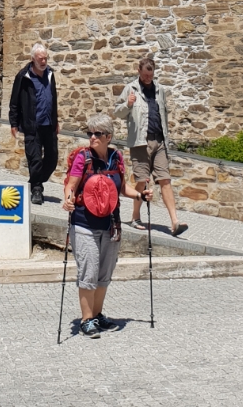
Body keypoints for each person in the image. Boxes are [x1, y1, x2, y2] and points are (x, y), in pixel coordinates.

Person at [62, 112, 150, 339]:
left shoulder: (116, 158)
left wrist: (140, 196)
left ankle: (97, 314)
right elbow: (71, 185)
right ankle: (86, 320)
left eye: (97, 133)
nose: (92, 137)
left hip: (111, 225)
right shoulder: (83, 157)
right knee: (88, 272)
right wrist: (68, 199)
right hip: (84, 223)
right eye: (89, 133)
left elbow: (122, 188)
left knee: (104, 273)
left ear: (108, 136)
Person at [115, 56, 188, 236]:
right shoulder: (130, 88)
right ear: (138, 72)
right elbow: (117, 112)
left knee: (165, 179)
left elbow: (163, 115)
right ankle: (135, 217)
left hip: (159, 141)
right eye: (145, 75)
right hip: (140, 142)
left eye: (151, 75)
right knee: (142, 180)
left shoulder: (160, 90)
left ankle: (175, 222)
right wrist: (128, 104)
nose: (148, 78)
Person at [8, 41, 59, 205]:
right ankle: (37, 189)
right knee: (35, 159)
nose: (43, 62)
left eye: (45, 58)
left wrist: (56, 120)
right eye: (40, 59)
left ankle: (34, 181)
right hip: (32, 125)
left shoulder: (50, 74)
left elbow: (53, 99)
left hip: (49, 125)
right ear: (33, 59)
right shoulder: (23, 77)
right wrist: (14, 123)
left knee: (52, 159)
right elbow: (14, 102)